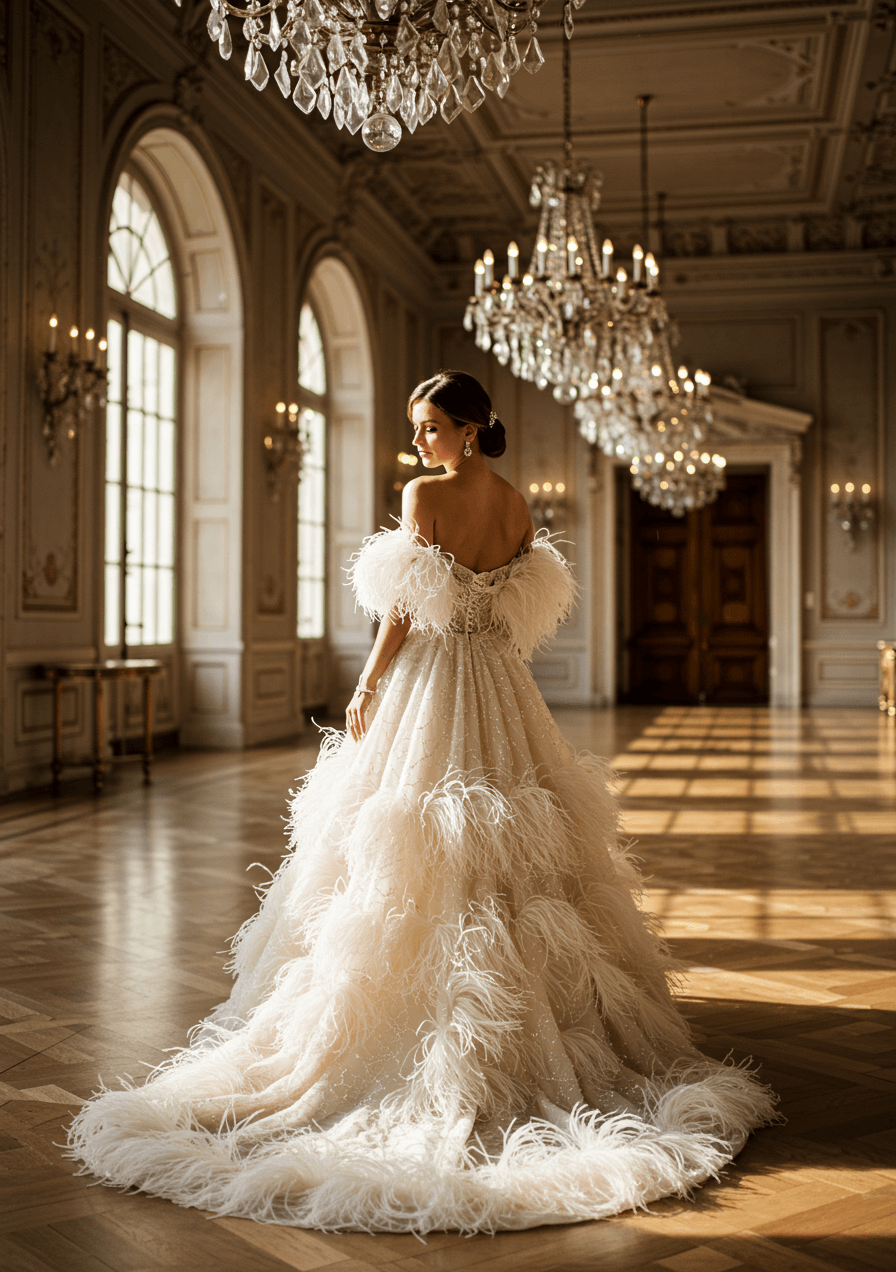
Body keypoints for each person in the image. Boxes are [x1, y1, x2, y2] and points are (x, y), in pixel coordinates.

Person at [68, 369, 775, 1234]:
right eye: (417, 428)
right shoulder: (514, 503)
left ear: (469, 429)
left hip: (431, 680)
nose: (420, 442)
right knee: (505, 836)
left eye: (432, 426)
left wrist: (368, 681)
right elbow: (509, 613)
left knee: (413, 831)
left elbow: (403, 610)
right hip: (498, 683)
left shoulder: (423, 495)